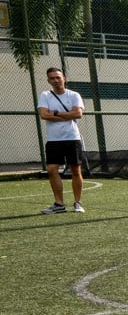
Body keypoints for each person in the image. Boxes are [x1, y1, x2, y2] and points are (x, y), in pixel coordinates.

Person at [38, 67, 86, 214]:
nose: (56, 80)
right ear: (48, 81)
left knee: (75, 170)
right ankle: (59, 204)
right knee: (52, 169)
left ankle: (77, 203)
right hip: (54, 140)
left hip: (72, 138)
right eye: (52, 78)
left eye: (58, 77)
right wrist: (68, 114)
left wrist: (57, 113)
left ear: (64, 78)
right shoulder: (45, 95)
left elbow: (78, 114)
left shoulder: (74, 95)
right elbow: (44, 115)